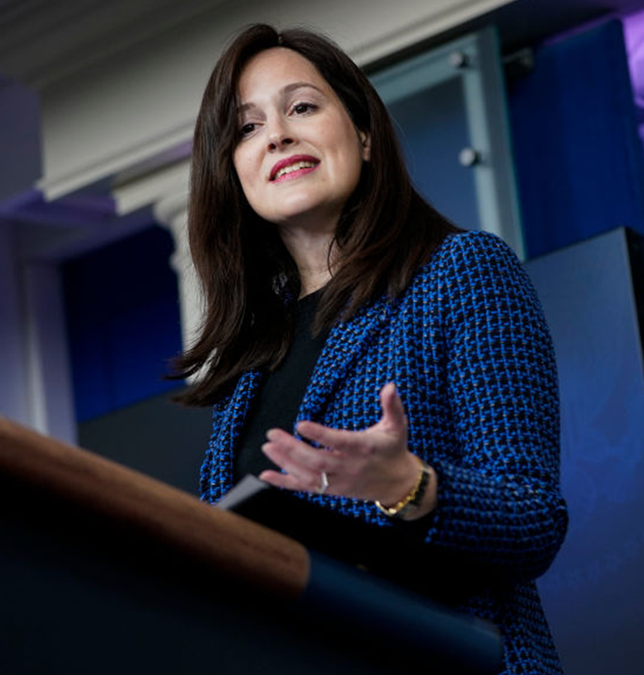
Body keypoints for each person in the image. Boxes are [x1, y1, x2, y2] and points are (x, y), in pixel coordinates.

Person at [172, 24, 568, 674]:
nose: (277, 135)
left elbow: (533, 518)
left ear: (363, 134)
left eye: (302, 107)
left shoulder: (462, 271)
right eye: (246, 128)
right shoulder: (248, 362)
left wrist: (409, 486)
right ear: (233, 173)